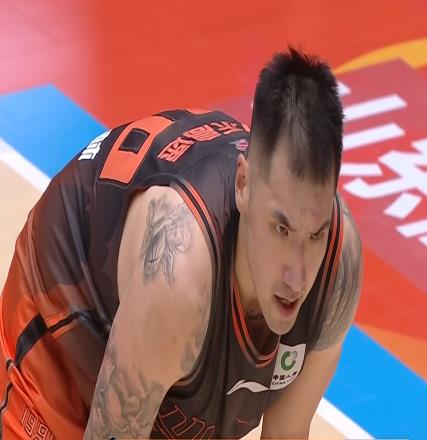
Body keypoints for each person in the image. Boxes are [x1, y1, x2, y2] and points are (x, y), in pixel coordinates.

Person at [0, 47, 363, 439]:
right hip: (62, 328)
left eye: (315, 234)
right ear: (243, 186)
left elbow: (286, 433)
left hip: (155, 359)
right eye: (281, 229)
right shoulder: (180, 275)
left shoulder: (338, 270)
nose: (297, 276)